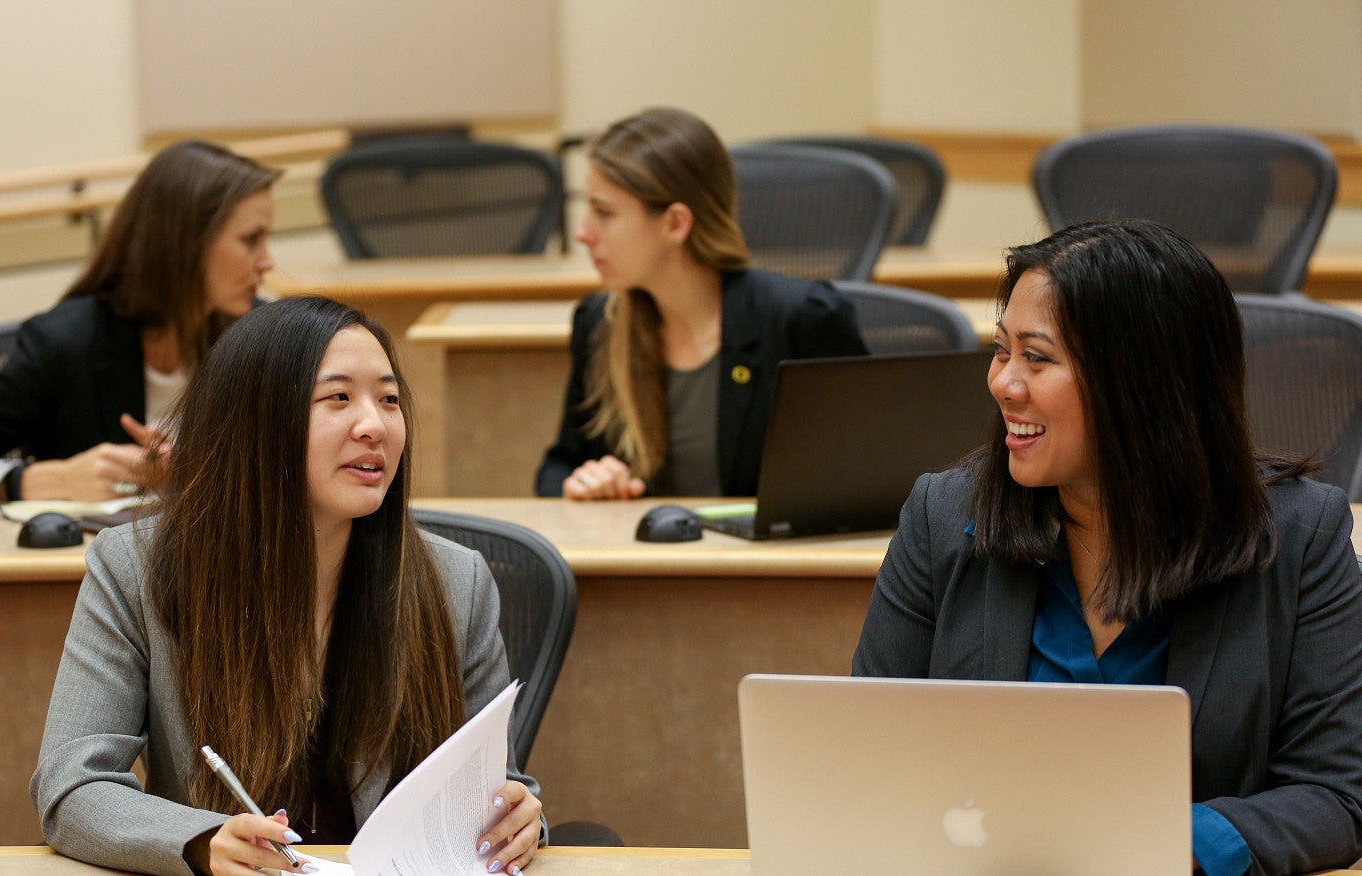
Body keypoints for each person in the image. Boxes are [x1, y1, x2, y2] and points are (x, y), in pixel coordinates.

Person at [852, 219, 1362, 876]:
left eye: (1037, 358)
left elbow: (1335, 795)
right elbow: (867, 762)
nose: (1004, 382)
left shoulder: (1298, 536)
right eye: (1001, 350)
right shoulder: (943, 516)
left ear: (1144, 386)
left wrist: (1153, 841)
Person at [31, 296, 544, 876]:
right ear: (259, 421)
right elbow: (72, 786)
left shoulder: (456, 582)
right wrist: (203, 841)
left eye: (390, 399)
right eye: (339, 398)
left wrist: (520, 817)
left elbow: (497, 787)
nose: (374, 425)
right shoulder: (136, 569)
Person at [0, 139, 278, 511]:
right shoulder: (66, 342)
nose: (267, 261)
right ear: (186, 241)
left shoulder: (256, 333)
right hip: (87, 564)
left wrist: (191, 473)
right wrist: (42, 479)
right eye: (251, 239)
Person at [535, 107, 867, 500]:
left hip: (768, 562)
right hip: (639, 560)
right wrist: (581, 483)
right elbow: (556, 469)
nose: (582, 233)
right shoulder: (599, 322)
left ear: (675, 224)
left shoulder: (802, 320)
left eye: (603, 212)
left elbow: (863, 482)